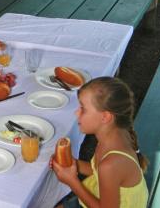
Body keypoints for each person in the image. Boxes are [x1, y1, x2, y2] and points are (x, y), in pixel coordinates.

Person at [51, 77, 149, 208]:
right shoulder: (112, 137)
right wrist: (74, 164)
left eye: (83, 109)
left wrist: (71, 181)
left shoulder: (112, 162)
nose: (76, 112)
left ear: (105, 117)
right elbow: (98, 173)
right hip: (99, 194)